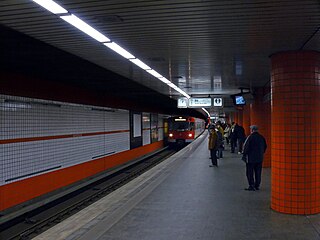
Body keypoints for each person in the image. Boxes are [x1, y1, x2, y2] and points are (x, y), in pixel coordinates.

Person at [242, 125, 267, 191]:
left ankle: (251, 185)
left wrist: (244, 154)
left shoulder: (250, 137)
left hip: (251, 158)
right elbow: (265, 146)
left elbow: (245, 147)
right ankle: (257, 185)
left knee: (250, 172)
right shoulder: (261, 137)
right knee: (258, 172)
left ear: (252, 130)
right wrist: (261, 153)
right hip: (259, 158)